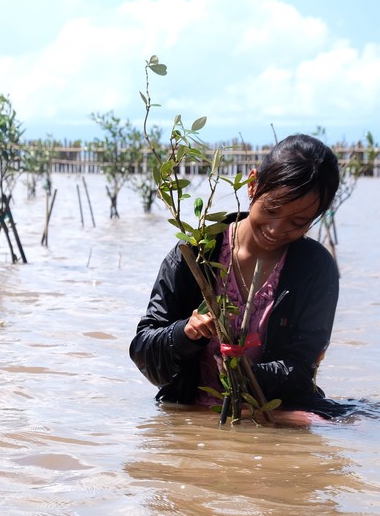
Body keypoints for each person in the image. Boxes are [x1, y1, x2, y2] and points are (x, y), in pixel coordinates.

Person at [130, 134, 352, 421]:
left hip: (275, 412)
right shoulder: (196, 254)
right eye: (271, 209)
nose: (275, 229)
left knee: (343, 428)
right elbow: (143, 350)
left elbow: (300, 368)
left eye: (297, 223)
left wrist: (248, 376)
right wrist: (184, 333)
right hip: (190, 408)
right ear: (252, 185)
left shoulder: (315, 268)